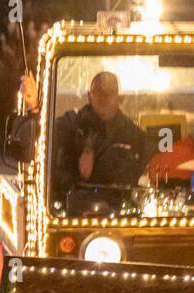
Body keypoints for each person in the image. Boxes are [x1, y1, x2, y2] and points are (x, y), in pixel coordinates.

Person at [51, 71, 148, 202]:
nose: (103, 98)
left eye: (109, 93)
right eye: (98, 92)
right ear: (90, 96)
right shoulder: (69, 126)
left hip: (119, 212)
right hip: (72, 211)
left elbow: (140, 179)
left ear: (120, 99)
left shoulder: (134, 135)